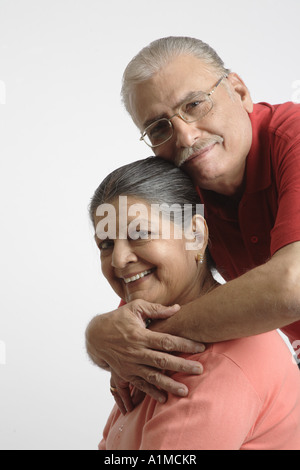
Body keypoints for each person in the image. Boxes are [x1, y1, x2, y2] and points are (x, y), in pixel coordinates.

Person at [85, 36, 300, 409]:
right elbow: (148, 294)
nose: (186, 135)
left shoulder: (293, 139)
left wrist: (143, 341)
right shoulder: (189, 190)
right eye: (158, 128)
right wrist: (98, 336)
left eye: (195, 104)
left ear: (239, 91)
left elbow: (292, 286)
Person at [90, 157, 300, 450]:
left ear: (195, 236)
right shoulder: (138, 348)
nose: (118, 259)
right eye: (106, 244)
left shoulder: (220, 364)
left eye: (139, 233)